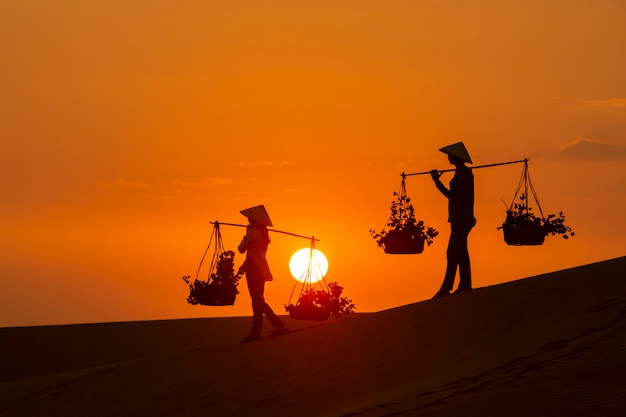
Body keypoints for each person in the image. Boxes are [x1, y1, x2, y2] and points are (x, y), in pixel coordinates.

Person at [430, 142, 476, 298]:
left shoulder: (466, 174)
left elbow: (468, 199)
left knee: (453, 252)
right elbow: (452, 197)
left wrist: (464, 220)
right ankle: (464, 285)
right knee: (460, 252)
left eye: (450, 155)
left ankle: (447, 287)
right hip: (456, 219)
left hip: (462, 220)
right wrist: (437, 182)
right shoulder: (459, 174)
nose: (448, 157)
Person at [237, 205, 288, 343]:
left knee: (257, 300)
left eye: (249, 218)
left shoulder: (253, 232)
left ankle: (276, 324)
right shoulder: (263, 233)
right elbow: (252, 253)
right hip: (261, 269)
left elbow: (241, 249)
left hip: (254, 269)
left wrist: (246, 234)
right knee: (257, 300)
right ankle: (257, 331)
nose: (247, 220)